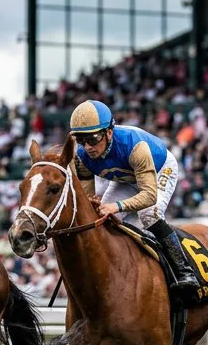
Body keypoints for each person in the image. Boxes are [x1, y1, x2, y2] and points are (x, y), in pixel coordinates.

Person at [68, 99, 198, 294]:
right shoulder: (82, 156)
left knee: (149, 215)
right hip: (126, 178)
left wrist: (117, 206)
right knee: (101, 220)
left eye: (93, 138)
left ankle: (184, 271)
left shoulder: (134, 146)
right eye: (81, 139)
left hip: (159, 170)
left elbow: (149, 196)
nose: (87, 147)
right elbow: (89, 198)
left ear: (109, 132)